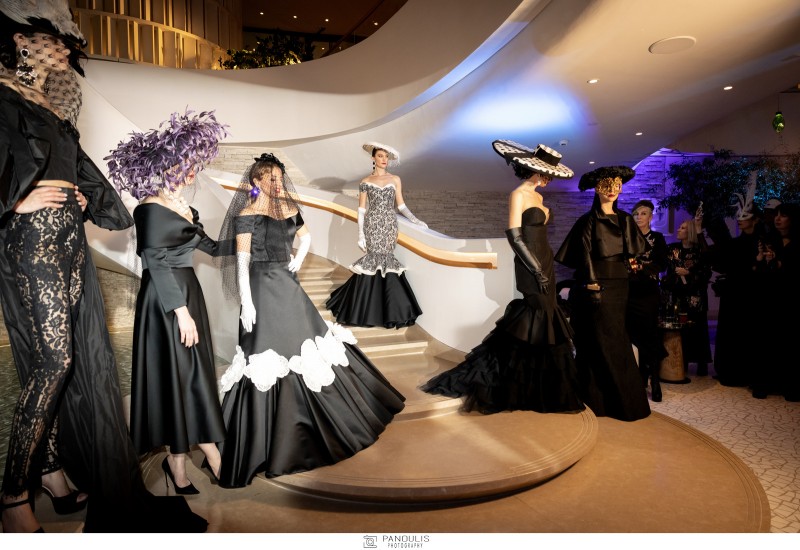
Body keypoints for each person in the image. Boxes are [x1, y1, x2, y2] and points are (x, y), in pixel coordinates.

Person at [0, 1, 205, 533]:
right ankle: (13, 495)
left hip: (68, 238)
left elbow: (80, 175)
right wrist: (14, 201)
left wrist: (83, 196)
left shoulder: (46, 102)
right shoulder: (1, 94)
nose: (65, 49)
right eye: (55, 39)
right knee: (54, 362)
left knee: (72, 360)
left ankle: (52, 475)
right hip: (31, 241)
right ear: (21, 39)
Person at [215, 153, 406, 488]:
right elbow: (242, 262)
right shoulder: (246, 215)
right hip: (261, 289)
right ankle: (263, 443)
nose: (276, 183)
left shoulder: (289, 209)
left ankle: (324, 426)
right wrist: (246, 302)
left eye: (279, 177)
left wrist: (300, 258)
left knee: (306, 347)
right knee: (264, 356)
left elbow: (306, 237)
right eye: (270, 178)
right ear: (257, 181)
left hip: (288, 287)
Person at [105, 110, 230, 494]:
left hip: (188, 292)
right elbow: (155, 262)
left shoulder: (186, 209)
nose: (190, 173)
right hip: (165, 302)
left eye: (193, 165)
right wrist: (181, 313)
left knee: (189, 375)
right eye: (183, 165)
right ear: (163, 167)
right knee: (181, 375)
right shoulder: (148, 208)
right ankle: (210, 455)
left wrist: (247, 241)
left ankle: (177, 462)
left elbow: (211, 247)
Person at [422, 141, 584, 414]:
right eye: (546, 173)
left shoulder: (539, 198)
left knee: (544, 318)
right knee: (538, 314)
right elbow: (514, 236)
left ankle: (537, 385)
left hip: (545, 261)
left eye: (550, 174)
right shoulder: (518, 194)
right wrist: (535, 269)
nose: (548, 178)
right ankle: (507, 378)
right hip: (530, 265)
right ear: (533, 170)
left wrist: (544, 267)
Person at [555, 166, 651, 421]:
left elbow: (634, 253)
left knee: (616, 340)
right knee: (596, 341)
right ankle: (597, 401)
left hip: (620, 286)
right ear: (597, 189)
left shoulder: (626, 220)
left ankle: (624, 404)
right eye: (607, 185)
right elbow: (584, 255)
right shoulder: (586, 221)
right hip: (595, 285)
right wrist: (592, 284)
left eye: (617, 185)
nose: (612, 190)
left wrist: (635, 269)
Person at [326, 142, 425, 328]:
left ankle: (389, 309)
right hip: (372, 225)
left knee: (387, 259)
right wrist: (361, 234)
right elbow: (361, 210)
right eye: (380, 156)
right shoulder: (365, 182)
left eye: (386, 156)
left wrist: (416, 220)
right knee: (373, 260)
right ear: (373, 158)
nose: (384, 159)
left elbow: (401, 205)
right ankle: (366, 310)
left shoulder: (395, 179)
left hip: (389, 225)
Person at [711, 174, 765, 387]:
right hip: (733, 293)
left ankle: (748, 373)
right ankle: (729, 371)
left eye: (745, 216)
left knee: (748, 332)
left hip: (752, 294)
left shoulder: (761, 242)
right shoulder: (736, 243)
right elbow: (725, 261)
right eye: (739, 216)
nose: (740, 219)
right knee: (730, 332)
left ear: (755, 219)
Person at [752, 202, 800, 400]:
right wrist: (762, 260)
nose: (778, 219)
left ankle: (791, 386)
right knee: (767, 341)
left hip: (791, 300)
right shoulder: (770, 240)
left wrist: (779, 264)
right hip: (770, 299)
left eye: (783, 215)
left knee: (790, 343)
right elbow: (760, 272)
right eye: (777, 215)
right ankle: (764, 384)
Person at [662, 216, 713, 376]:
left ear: (690, 231)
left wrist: (689, 273)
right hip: (677, 296)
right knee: (680, 329)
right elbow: (666, 269)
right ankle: (681, 362)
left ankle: (701, 363)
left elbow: (706, 271)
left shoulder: (699, 251)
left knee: (698, 330)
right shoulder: (672, 249)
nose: (678, 229)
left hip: (695, 297)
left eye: (683, 228)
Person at [627, 199, 668, 400]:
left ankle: (655, 381)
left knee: (650, 336)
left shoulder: (657, 238)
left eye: (643, 213)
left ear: (651, 217)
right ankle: (640, 378)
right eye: (636, 214)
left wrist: (641, 268)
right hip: (630, 293)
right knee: (633, 336)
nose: (639, 217)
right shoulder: (627, 238)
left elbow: (662, 264)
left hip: (649, 294)